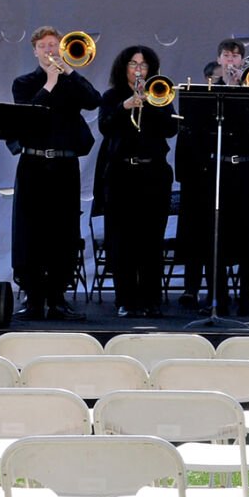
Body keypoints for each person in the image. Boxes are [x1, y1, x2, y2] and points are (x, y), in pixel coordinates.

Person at [176, 38, 249, 316]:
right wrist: (228, 89)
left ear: (241, 61)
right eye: (226, 56)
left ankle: (247, 301)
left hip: (245, 170)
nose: (230, 61)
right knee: (215, 235)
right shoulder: (208, 93)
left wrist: (245, 87)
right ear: (219, 61)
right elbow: (196, 126)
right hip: (217, 171)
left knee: (247, 236)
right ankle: (216, 298)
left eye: (235, 56)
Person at [10, 26, 101, 321]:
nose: (50, 50)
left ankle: (59, 297)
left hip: (64, 165)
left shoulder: (72, 81)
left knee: (64, 231)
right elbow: (27, 115)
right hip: (33, 165)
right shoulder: (24, 83)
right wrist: (49, 83)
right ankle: (33, 298)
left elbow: (93, 100)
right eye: (44, 46)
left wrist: (68, 74)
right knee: (30, 231)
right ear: (35, 50)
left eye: (54, 45)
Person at [97, 46, 175, 318]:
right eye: (133, 64)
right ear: (124, 68)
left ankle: (151, 299)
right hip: (121, 175)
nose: (138, 69)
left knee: (152, 240)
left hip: (154, 174)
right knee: (122, 240)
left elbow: (171, 129)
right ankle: (126, 299)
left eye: (143, 65)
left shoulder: (161, 93)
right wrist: (125, 106)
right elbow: (105, 127)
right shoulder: (111, 96)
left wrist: (151, 103)